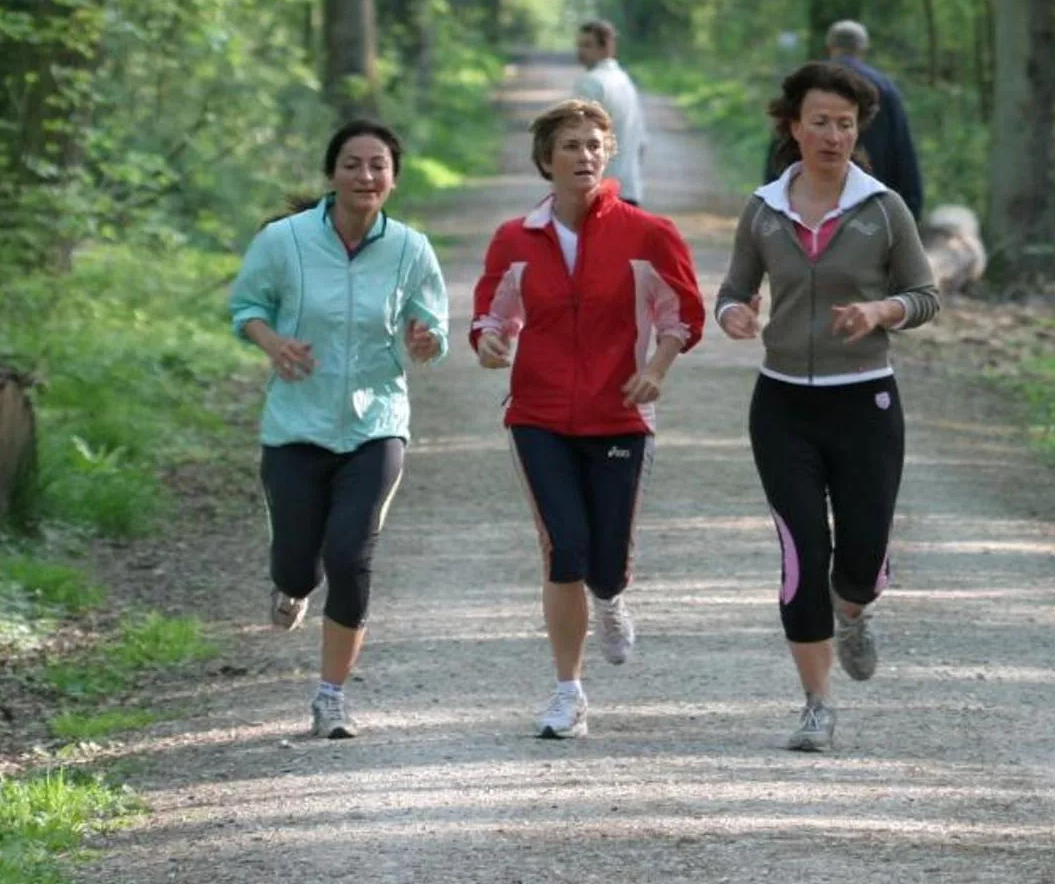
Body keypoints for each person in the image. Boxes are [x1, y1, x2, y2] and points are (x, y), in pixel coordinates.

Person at [717, 61, 940, 752]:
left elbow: (927, 296)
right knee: (800, 551)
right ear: (794, 126)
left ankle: (858, 607)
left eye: (845, 124)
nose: (833, 135)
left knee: (862, 558)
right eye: (820, 121)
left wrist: (880, 309)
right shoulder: (764, 209)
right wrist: (732, 314)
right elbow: (732, 289)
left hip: (865, 402)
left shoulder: (883, 208)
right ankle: (816, 704)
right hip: (782, 404)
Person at [472, 98, 705, 740]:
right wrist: (490, 342)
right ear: (546, 161)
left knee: (606, 563)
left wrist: (656, 367)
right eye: (570, 145)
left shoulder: (647, 234)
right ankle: (568, 693)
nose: (585, 155)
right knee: (563, 551)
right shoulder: (515, 239)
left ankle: (612, 597)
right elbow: (493, 314)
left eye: (595, 144)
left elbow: (682, 314)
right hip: (538, 414)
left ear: (609, 154)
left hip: (620, 416)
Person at [228, 118, 450, 740]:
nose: (365, 176)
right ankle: (290, 585)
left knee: (350, 555)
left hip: (376, 422)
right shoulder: (284, 242)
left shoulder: (410, 249)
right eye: (353, 164)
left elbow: (434, 333)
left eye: (378, 165)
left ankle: (331, 697)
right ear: (333, 173)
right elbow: (245, 307)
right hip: (296, 422)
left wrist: (425, 340)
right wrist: (272, 342)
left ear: (394, 179)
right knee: (299, 564)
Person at [822, 20, 924, 219]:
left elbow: (782, 143)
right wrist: (912, 206)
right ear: (862, 49)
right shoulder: (884, 88)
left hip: (812, 206)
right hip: (871, 208)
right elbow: (902, 149)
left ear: (830, 47)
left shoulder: (808, 85)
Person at [572, 19, 648, 206]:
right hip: (629, 188)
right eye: (579, 45)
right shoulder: (625, 81)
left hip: (600, 192)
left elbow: (578, 135)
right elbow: (642, 141)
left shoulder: (591, 83)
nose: (580, 52)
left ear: (606, 47)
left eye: (587, 45)